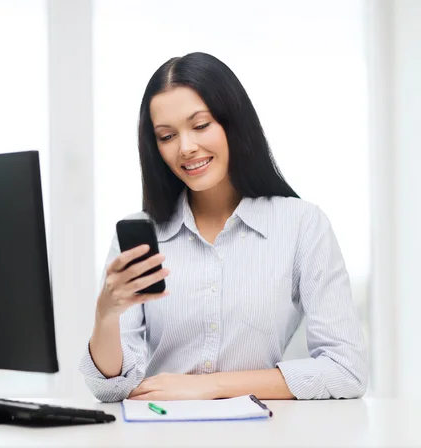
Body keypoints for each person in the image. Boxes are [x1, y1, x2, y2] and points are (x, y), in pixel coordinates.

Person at [79, 52, 368, 403]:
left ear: (234, 123)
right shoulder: (142, 234)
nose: (186, 148)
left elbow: (347, 370)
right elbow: (109, 387)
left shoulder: (302, 225)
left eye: (201, 126)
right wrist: (105, 314)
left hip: (266, 432)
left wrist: (210, 386)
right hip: (161, 432)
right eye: (167, 136)